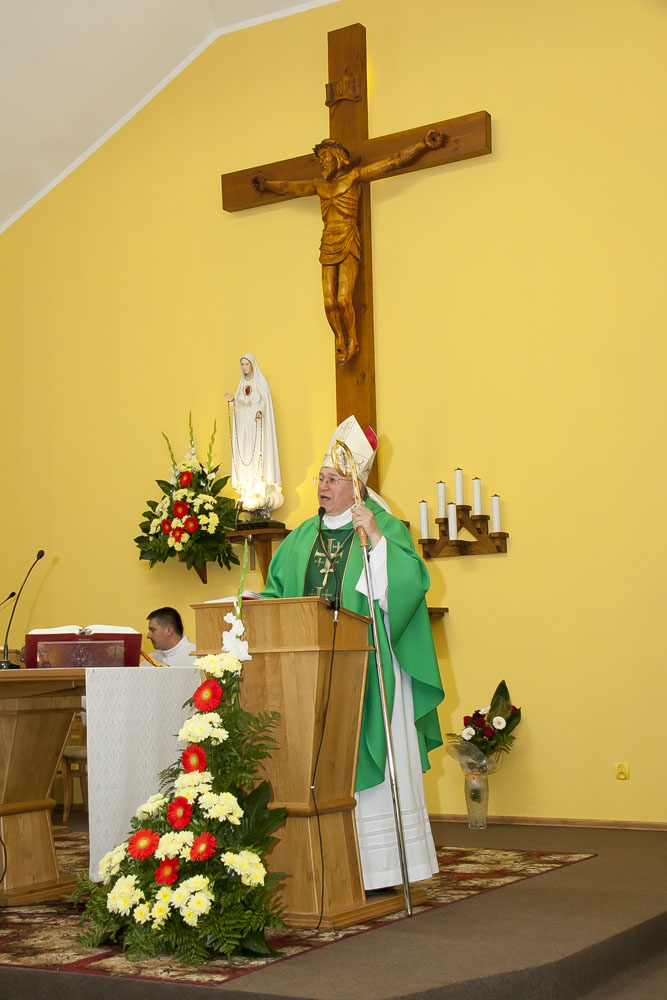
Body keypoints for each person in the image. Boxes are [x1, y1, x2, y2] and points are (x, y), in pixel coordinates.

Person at [261, 416, 445, 891]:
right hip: (309, 676)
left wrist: (378, 542)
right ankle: (324, 863)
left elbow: (408, 587)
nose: (323, 487)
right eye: (321, 478)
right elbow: (277, 596)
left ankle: (381, 868)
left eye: (333, 480)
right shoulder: (300, 538)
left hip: (369, 668)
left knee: (373, 759)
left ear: (356, 486)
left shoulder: (382, 528)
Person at [253, 130, 445, 365]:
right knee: (329, 303)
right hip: (328, 242)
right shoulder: (319, 186)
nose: (321, 162)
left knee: (344, 299)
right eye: (319, 159)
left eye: (325, 156)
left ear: (336, 156)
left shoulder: (354, 177)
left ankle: (352, 339)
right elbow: (289, 187)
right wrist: (266, 185)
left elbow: (393, 162)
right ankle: (339, 338)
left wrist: (422, 145)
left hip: (348, 238)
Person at [224, 353, 283, 512]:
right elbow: (241, 405)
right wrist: (233, 400)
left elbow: (265, 402)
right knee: (246, 453)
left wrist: (260, 412)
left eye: (247, 364)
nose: (244, 367)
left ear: (252, 365)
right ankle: (248, 490)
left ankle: (259, 490)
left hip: (258, 424)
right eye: (242, 364)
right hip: (245, 425)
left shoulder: (260, 381)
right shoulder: (242, 384)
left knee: (258, 454)